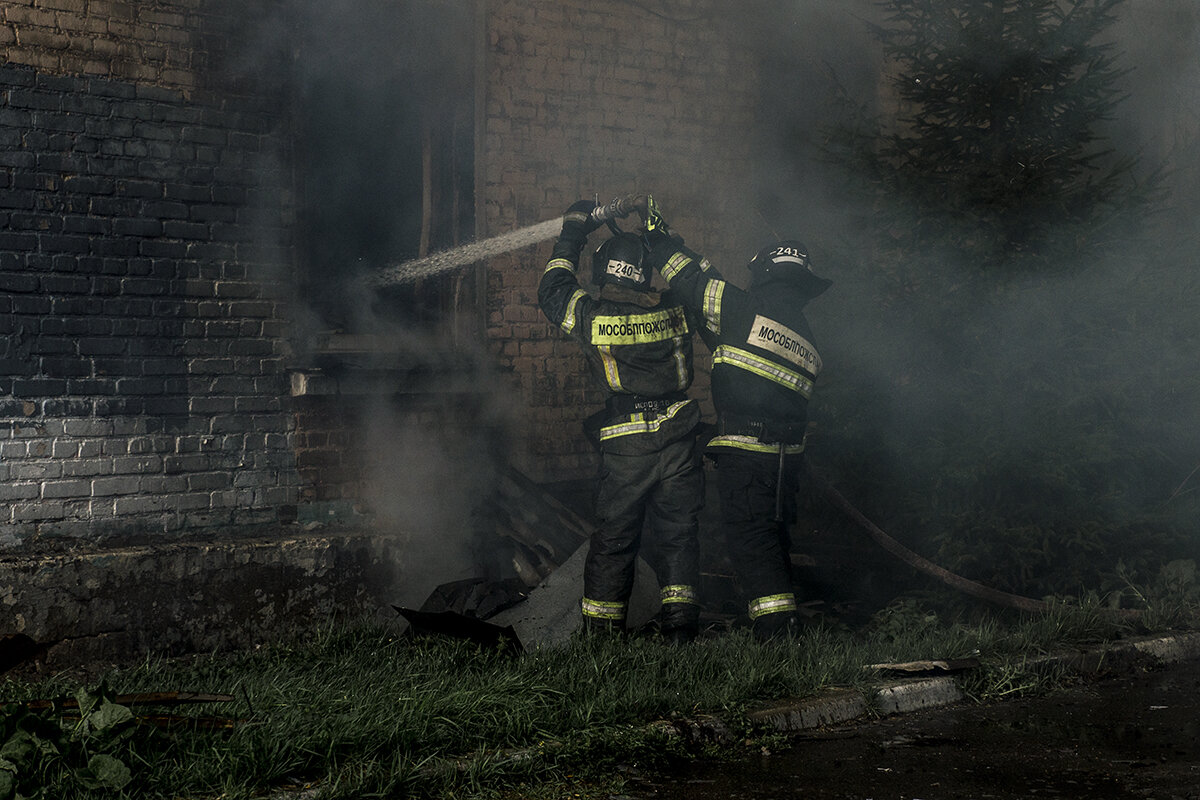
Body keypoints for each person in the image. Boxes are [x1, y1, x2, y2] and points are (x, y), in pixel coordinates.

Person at [641, 201, 832, 640]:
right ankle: (779, 628)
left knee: (752, 543)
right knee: (773, 539)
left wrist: (657, 240)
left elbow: (694, 284)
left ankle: (779, 638)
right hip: (787, 461)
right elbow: (717, 305)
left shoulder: (744, 311)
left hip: (750, 458)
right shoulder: (803, 336)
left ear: (763, 274)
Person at [538, 199, 704, 644]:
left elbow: (552, 288)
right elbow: (698, 278)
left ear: (602, 271)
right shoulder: (676, 307)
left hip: (627, 445)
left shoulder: (592, 316)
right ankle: (681, 635)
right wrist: (661, 236)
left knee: (614, 542)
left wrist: (575, 228)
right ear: (646, 271)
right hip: (679, 440)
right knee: (678, 537)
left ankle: (602, 640)